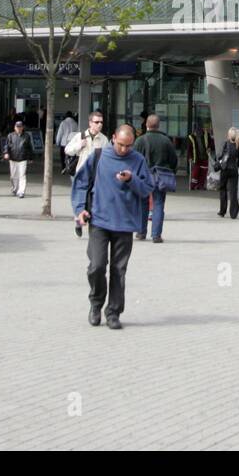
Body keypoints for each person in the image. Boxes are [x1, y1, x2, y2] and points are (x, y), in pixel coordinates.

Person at [72, 125, 154, 330]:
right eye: (120, 144)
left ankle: (113, 312)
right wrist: (80, 208)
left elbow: (147, 189)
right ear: (114, 137)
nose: (124, 149)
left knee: (119, 270)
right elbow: (81, 183)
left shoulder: (138, 161)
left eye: (128, 146)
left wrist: (131, 179)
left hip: (124, 223)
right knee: (97, 266)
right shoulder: (99, 156)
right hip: (99, 220)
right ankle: (95, 304)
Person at [134, 114, 178, 242]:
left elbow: (134, 159)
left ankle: (141, 232)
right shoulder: (166, 140)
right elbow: (173, 159)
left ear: (146, 125)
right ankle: (156, 235)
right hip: (160, 176)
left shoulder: (140, 140)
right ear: (159, 125)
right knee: (158, 204)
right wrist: (171, 171)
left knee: (143, 204)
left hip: (143, 176)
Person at [66, 112, 108, 236]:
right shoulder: (80, 136)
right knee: (79, 198)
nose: (99, 124)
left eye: (101, 122)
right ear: (90, 123)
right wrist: (79, 145)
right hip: (80, 173)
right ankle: (78, 220)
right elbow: (67, 150)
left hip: (95, 175)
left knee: (92, 200)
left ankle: (90, 222)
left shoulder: (104, 139)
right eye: (96, 122)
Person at [216, 127, 239, 218]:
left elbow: (220, 157)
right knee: (233, 191)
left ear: (228, 135)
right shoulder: (238, 145)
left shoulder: (225, 144)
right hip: (234, 170)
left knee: (223, 189)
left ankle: (222, 211)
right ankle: (233, 213)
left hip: (225, 169)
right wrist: (235, 166)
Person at [4, 120, 32, 198]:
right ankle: (15, 189)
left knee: (22, 175)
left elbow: (29, 147)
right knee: (13, 176)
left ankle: (21, 191)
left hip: (23, 158)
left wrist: (30, 157)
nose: (19, 128)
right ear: (14, 127)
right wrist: (6, 153)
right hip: (13, 158)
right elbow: (7, 145)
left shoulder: (26, 136)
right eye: (17, 127)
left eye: (20, 127)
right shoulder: (10, 135)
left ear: (22, 127)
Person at [186, 122, 212, 190]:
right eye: (196, 131)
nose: (198, 133)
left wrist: (209, 147)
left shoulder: (206, 135)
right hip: (196, 158)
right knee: (195, 173)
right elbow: (189, 149)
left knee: (203, 172)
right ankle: (193, 186)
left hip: (205, 157)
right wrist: (190, 157)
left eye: (200, 130)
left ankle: (200, 185)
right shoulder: (191, 137)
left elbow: (210, 143)